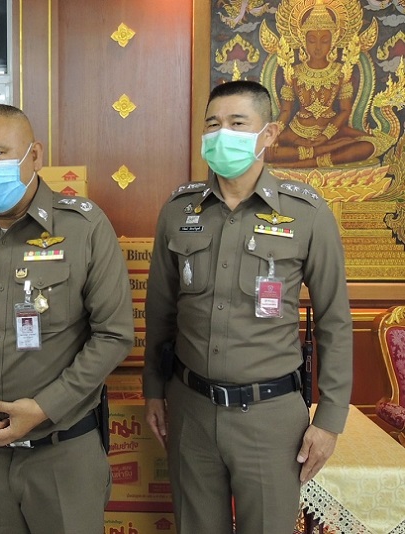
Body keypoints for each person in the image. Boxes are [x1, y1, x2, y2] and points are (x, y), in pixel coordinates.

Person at [143, 80, 353, 534]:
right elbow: (160, 311)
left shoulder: (307, 213)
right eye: (213, 124)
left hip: (270, 416)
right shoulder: (179, 210)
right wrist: (154, 390)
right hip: (190, 410)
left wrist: (330, 419)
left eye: (238, 123)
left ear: (269, 133)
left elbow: (334, 321)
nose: (223, 134)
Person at [0, 104, 133, 533]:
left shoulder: (84, 227)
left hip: (63, 448)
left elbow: (113, 335)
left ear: (35, 155)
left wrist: (45, 407)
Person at [265, 0, 375, 167]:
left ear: (334, 39)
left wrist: (326, 136)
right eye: (311, 40)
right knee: (264, 150)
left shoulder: (341, 72)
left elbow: (345, 111)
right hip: (296, 131)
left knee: (370, 145)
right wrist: (276, 132)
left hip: (331, 131)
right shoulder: (293, 72)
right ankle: (320, 154)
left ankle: (303, 160)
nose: (317, 47)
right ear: (303, 40)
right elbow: (286, 110)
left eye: (324, 41)